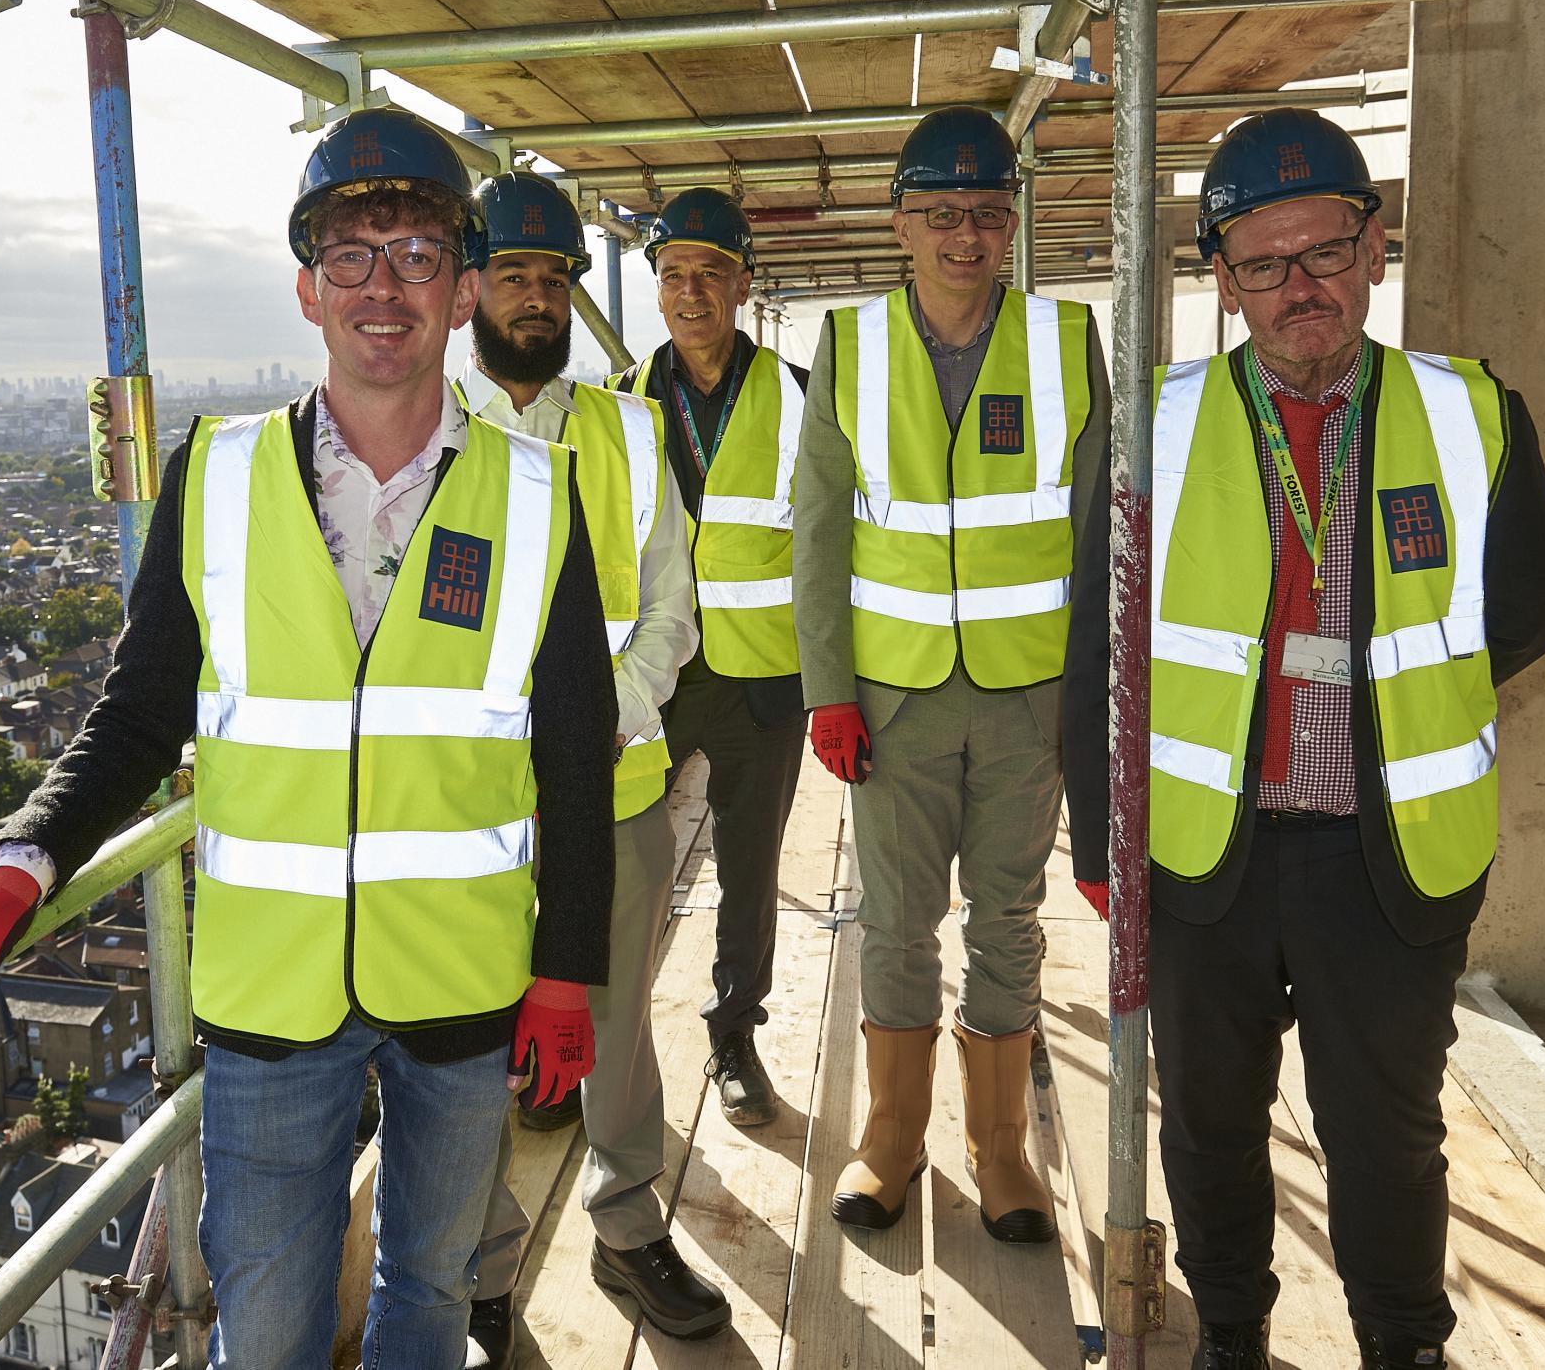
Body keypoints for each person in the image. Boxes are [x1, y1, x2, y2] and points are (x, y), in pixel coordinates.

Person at [0, 106, 619, 1370]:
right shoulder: (216, 475)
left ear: (461, 293)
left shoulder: (539, 497)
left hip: (463, 981)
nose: (382, 286)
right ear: (305, 286)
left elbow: (574, 751)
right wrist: (25, 859)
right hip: (271, 999)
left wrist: (568, 971)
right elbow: (137, 712)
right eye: (352, 253)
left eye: (417, 254)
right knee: (267, 1329)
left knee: (430, 1298)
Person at [1062, 109, 1545, 1370]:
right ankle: (1233, 1330)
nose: (1304, 286)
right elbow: (1097, 650)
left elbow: (1529, 609)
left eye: (1328, 250)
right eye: (1266, 262)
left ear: (1375, 247)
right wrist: (1098, 837)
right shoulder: (1147, 428)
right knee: (1211, 1124)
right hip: (1202, 853)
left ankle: (1404, 1343)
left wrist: (1400, 700)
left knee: (1385, 1131)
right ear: (1223, 279)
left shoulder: (1472, 413)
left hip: (1382, 854)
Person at [791, 105, 1109, 1241]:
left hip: (1028, 700)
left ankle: (1002, 1149)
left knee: (1008, 918)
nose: (963, 237)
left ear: (1011, 223)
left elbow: (1093, 538)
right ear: (900, 223)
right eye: (939, 214)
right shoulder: (852, 345)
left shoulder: (1070, 343)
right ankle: (889, 1142)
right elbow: (819, 530)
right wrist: (827, 687)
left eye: (984, 214)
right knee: (896, 921)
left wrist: (1092, 707)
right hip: (896, 698)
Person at [460, 170, 724, 1362]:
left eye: (554, 276)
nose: (535, 295)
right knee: (464, 1039)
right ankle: (478, 1265)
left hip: (615, 789)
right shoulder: (429, 427)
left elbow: (673, 603)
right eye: (513, 272)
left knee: (615, 1035)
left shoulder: (624, 426)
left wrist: (605, 712)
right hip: (463, 813)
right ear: (471, 285)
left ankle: (625, 1227)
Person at [611, 187, 809, 1129]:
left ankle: (734, 1033)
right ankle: (607, 1051)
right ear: (655, 288)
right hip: (656, 680)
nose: (692, 291)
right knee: (625, 867)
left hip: (764, 682)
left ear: (741, 283)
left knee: (748, 865)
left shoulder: (804, 396)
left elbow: (832, 544)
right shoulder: (616, 413)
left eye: (711, 273)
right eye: (673, 274)